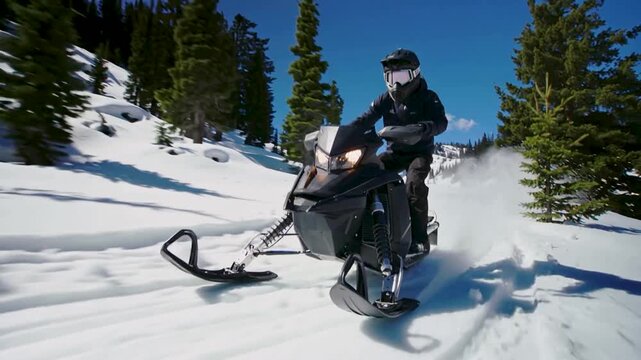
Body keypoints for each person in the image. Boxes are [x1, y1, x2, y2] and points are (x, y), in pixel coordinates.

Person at [350, 48, 448, 254]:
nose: (396, 83)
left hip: (419, 153)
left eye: (402, 76)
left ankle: (420, 240)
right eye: (391, 77)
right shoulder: (385, 99)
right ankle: (362, 231)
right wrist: (346, 133)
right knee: (365, 175)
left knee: (413, 185)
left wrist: (423, 128)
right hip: (394, 153)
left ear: (414, 74)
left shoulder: (429, 97)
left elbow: (441, 122)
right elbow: (364, 119)